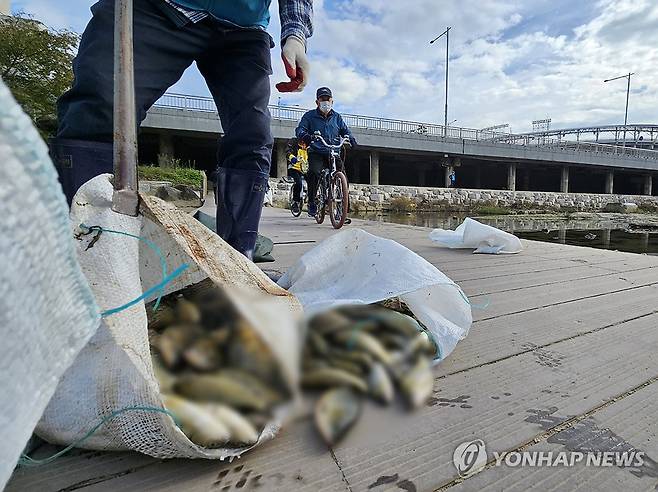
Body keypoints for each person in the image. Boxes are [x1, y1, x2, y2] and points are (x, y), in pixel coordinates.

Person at [50, 0, 313, 260]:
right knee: (103, 102)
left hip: (243, 26)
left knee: (252, 135)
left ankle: (237, 259)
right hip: (159, 7)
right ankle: (86, 248)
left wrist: (296, 35)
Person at [295, 87, 356, 217]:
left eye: (327, 99)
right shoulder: (309, 116)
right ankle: (312, 201)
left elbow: (345, 130)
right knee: (314, 173)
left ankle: (342, 209)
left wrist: (351, 138)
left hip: (333, 151)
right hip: (317, 151)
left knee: (342, 175)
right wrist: (304, 135)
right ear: (317, 102)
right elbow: (300, 129)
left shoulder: (337, 117)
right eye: (322, 99)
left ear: (332, 101)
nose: (325, 102)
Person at [285, 135, 309, 215]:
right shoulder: (293, 142)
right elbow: (288, 151)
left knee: (313, 181)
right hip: (294, 168)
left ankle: (312, 201)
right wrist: (292, 158)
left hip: (305, 169)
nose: (303, 144)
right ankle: (295, 202)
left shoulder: (309, 145)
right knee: (298, 183)